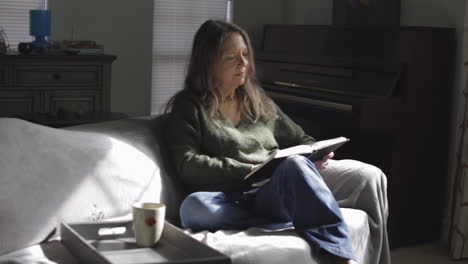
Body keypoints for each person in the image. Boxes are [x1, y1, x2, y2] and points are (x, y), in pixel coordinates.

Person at [164, 20, 390, 264]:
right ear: (208, 62)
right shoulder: (189, 107)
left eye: (245, 54)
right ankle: (292, 213)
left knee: (345, 171)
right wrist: (248, 169)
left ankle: (340, 255)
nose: (243, 64)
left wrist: (317, 153)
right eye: (231, 57)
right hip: (228, 198)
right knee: (193, 208)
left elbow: (301, 139)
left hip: (273, 190)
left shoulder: (257, 100)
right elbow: (188, 163)